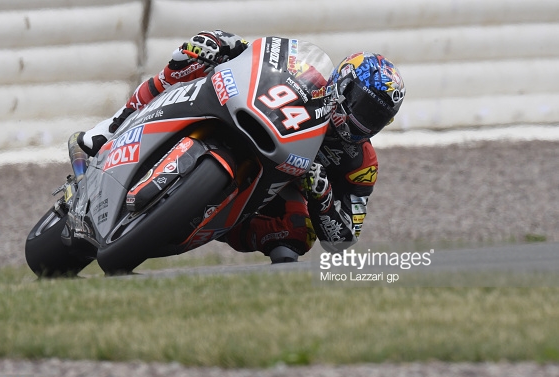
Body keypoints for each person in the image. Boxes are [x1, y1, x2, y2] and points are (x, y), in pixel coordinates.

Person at [76, 30, 406, 262]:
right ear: (341, 83)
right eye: (358, 104)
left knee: (298, 231)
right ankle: (112, 126)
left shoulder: (362, 165)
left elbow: (344, 238)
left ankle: (281, 283)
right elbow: (263, 56)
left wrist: (322, 193)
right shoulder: (311, 78)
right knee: (196, 52)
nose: (358, 121)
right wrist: (228, 45)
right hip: (252, 119)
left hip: (264, 197)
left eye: (372, 118)